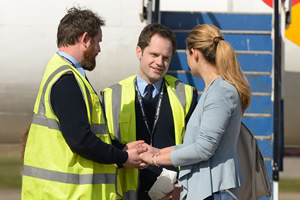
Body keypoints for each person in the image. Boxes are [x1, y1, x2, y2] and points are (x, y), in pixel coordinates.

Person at [21, 7, 146, 200]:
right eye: (97, 42)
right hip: (66, 195)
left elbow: (86, 133)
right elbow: (80, 139)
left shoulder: (61, 73)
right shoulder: (67, 80)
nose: (99, 49)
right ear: (85, 39)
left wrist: (120, 149)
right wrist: (123, 158)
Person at [140, 24, 252, 200]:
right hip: (209, 191)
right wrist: (155, 152)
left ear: (195, 54)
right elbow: (193, 145)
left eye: (187, 55)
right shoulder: (213, 90)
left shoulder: (220, 92)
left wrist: (154, 160)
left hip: (216, 192)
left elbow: (202, 149)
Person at [102, 23, 198, 200]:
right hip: (125, 194)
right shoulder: (111, 96)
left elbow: (194, 149)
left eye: (166, 57)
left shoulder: (186, 95)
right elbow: (103, 147)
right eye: (154, 54)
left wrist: (184, 190)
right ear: (139, 52)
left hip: (171, 195)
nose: (160, 63)